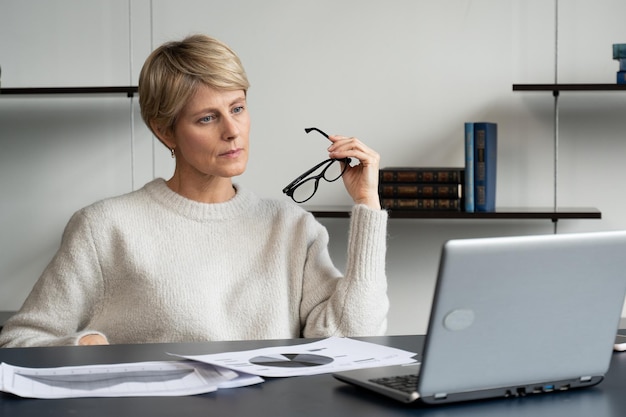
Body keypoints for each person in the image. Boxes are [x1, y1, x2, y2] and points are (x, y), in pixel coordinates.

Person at [0, 34, 388, 347]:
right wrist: (80, 347)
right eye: (207, 118)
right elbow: (21, 340)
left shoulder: (291, 227)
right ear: (164, 131)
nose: (232, 130)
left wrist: (367, 205)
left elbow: (355, 338)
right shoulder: (104, 227)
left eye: (237, 108)